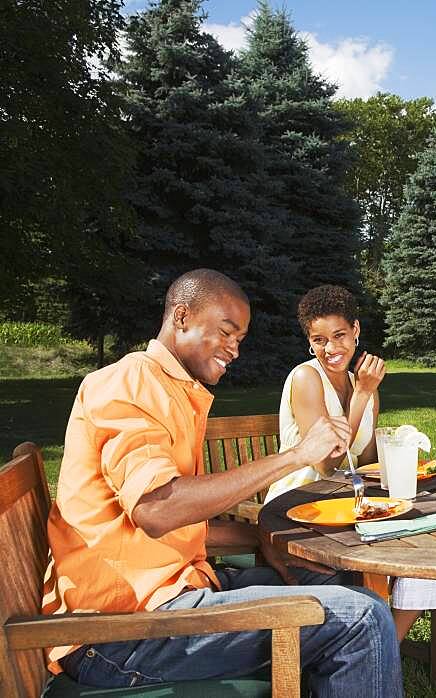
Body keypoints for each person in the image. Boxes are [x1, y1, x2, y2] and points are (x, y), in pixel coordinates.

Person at [42, 269, 402, 697]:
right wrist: (296, 455)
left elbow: (160, 526)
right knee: (360, 618)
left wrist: (264, 536)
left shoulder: (172, 389)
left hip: (170, 596)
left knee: (338, 588)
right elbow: (156, 510)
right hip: (121, 634)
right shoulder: (128, 383)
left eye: (240, 339)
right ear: (181, 317)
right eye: (226, 332)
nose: (234, 349)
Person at [264, 284, 436, 641]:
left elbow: (360, 461)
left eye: (339, 335)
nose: (330, 348)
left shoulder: (361, 382)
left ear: (356, 331)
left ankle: (384, 646)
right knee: (410, 546)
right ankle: (376, 652)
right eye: (319, 340)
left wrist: (401, 453)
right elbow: (327, 464)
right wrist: (362, 395)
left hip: (350, 506)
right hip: (302, 509)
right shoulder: (307, 378)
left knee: (428, 546)